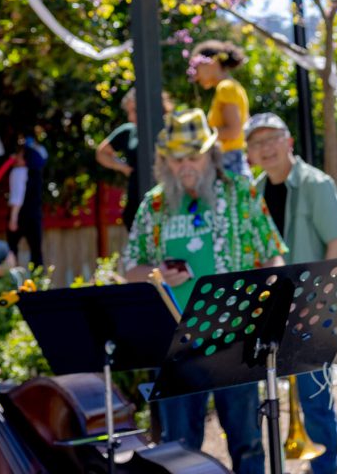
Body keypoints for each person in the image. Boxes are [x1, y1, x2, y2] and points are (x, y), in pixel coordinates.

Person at [123, 107, 286, 474]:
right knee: (179, 448)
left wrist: (267, 309)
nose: (185, 166)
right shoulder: (154, 205)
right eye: (176, 159)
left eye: (193, 156)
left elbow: (273, 255)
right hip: (175, 343)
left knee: (247, 442)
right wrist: (157, 273)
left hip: (236, 337)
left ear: (211, 154)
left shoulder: (241, 193)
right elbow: (130, 268)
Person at [245, 112, 337, 474]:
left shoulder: (315, 183)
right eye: (256, 142)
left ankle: (327, 469)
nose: (265, 148)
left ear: (288, 141)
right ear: (250, 152)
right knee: (272, 400)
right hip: (271, 313)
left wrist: (317, 299)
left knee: (315, 401)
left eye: (271, 138)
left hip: (312, 309)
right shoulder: (253, 193)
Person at [95, 88, 173, 230]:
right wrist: (123, 167)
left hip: (165, 200)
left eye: (135, 111)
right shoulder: (129, 131)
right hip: (136, 201)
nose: (131, 117)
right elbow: (102, 153)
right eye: (129, 112)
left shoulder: (170, 129)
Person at [188, 40, 251, 178]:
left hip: (229, 162)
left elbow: (233, 131)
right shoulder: (231, 86)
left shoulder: (226, 88)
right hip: (233, 159)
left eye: (196, 68)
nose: (196, 76)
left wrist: (200, 136)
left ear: (212, 63)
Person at [7, 133, 48, 269]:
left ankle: (10, 281)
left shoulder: (18, 172)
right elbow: (43, 154)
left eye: (19, 154)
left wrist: (13, 218)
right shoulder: (36, 173)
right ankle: (38, 283)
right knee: (36, 252)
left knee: (12, 251)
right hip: (34, 215)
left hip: (20, 215)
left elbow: (17, 197)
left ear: (25, 159)